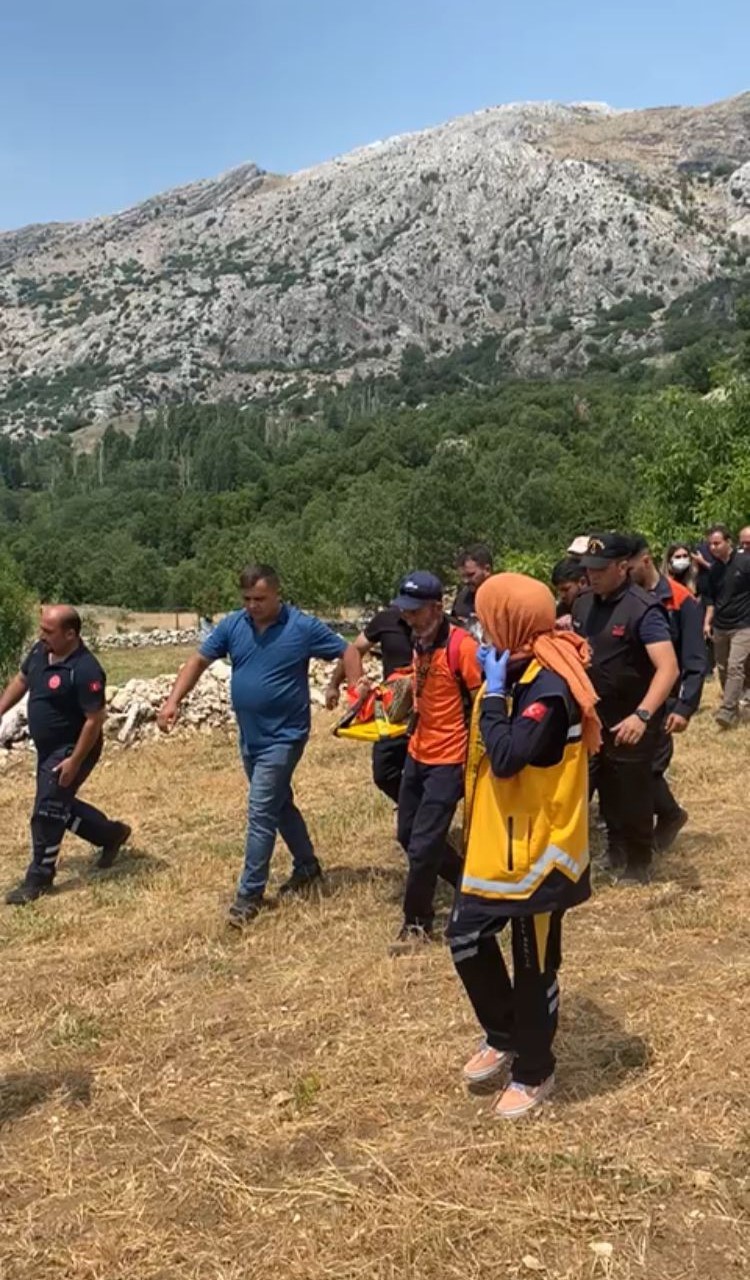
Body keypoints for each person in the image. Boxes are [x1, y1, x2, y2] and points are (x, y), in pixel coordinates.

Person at [447, 573, 601, 1118]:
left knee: (533, 959)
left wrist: (491, 695)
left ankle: (535, 1070)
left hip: (541, 851)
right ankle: (505, 1031)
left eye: (486, 620)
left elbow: (511, 754)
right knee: (464, 935)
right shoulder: (520, 668)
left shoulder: (552, 684)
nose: (479, 629)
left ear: (510, 622)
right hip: (502, 845)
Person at [157, 564, 363, 926]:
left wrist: (357, 691)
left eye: (260, 599)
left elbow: (349, 652)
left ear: (277, 595)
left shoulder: (301, 626)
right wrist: (173, 701)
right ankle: (307, 866)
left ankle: (249, 895)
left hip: (286, 736)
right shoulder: (234, 625)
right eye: (248, 599)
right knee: (279, 804)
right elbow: (199, 660)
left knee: (261, 810)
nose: (253, 606)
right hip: (250, 735)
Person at [0, 606, 131, 905]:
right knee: (60, 805)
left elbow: (94, 720)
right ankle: (111, 835)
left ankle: (39, 878)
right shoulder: (39, 652)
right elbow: (22, 681)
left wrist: (74, 761)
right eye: (41, 629)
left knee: (47, 810)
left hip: (73, 748)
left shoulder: (85, 669)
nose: (41, 635)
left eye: (48, 631)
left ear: (70, 634)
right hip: (47, 748)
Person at [572, 534, 679, 883]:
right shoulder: (583, 604)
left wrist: (643, 714)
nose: (593, 576)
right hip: (594, 715)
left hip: (633, 715)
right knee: (602, 783)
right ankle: (614, 848)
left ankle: (638, 860)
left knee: (632, 788)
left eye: (601, 569)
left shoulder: (642, 608)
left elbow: (668, 668)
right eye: (588, 569)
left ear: (622, 567)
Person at [390, 571, 482, 954]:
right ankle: (469, 881)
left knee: (424, 844)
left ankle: (416, 923)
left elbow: (481, 699)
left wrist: (478, 756)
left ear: (436, 607)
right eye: (405, 610)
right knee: (407, 835)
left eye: (414, 611)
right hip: (418, 750)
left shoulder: (462, 647)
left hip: (449, 758)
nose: (407, 617)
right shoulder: (420, 639)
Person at [629, 536, 706, 849]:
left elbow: (695, 660)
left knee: (647, 770)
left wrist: (685, 707)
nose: (624, 571)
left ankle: (668, 817)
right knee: (629, 769)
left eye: (628, 565)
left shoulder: (680, 600)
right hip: (631, 697)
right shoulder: (627, 598)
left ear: (645, 560)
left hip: (665, 700)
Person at [325, 605, 413, 804]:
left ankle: (420, 818)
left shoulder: (443, 626)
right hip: (392, 709)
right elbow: (354, 650)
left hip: (426, 712)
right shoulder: (386, 620)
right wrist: (335, 684)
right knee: (384, 773)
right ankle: (412, 808)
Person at [704, 525, 750, 729]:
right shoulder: (713, 571)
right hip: (721, 625)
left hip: (743, 624)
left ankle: (728, 710)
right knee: (722, 668)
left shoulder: (745, 562)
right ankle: (737, 700)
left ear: (728, 542)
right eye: (711, 544)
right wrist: (707, 622)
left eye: (717, 543)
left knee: (735, 665)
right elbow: (711, 600)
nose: (713, 547)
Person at [451, 544, 493, 631]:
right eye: (463, 576)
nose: (465, 581)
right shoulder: (462, 599)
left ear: (487, 570)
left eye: (470, 575)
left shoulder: (504, 598)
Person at [551, 558, 588, 627]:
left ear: (582, 582)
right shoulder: (562, 609)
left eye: (566, 589)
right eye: (559, 591)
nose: (562, 596)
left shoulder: (594, 607)